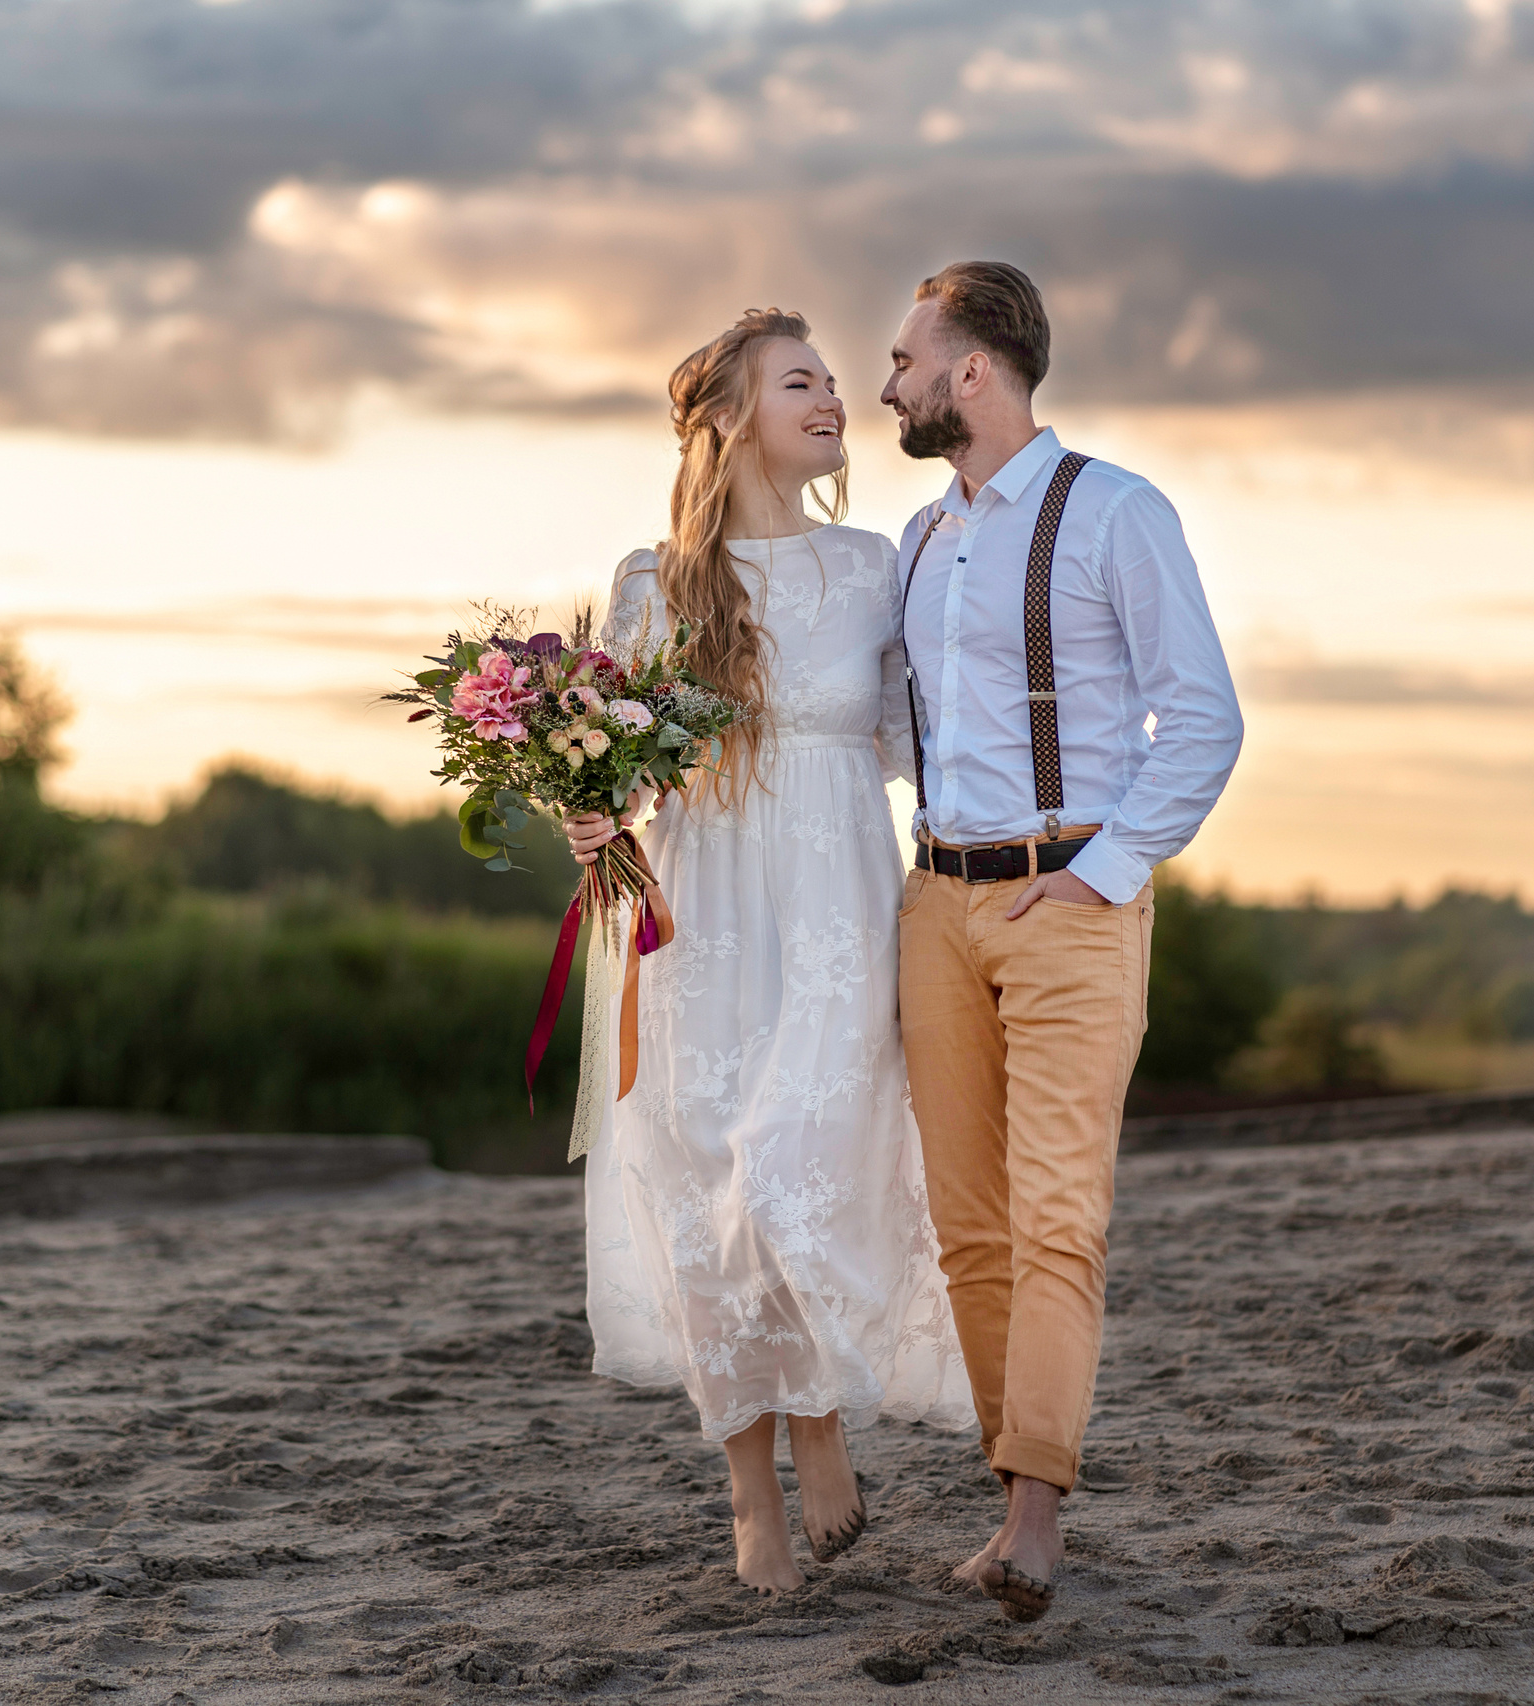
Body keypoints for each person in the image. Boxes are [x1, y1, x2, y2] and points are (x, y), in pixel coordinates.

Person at [563, 308, 973, 1595]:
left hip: (839, 907)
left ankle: (820, 1418)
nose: (835, 396)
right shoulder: (657, 583)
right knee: (704, 1179)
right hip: (704, 911)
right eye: (802, 381)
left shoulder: (873, 566)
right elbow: (616, 765)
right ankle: (752, 1487)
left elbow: (918, 741)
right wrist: (587, 809)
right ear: (736, 418)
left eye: (836, 379)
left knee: (800, 1157)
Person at [881, 261, 1245, 1622]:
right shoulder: (917, 539)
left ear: (971, 370)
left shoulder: (1117, 510)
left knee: (1055, 1214)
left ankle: (1035, 1512)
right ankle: (1010, 1490)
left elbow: (1202, 717)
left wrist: (1102, 876)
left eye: (906, 360)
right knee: (967, 1227)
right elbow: (889, 732)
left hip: (1068, 899)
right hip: (936, 903)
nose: (888, 385)